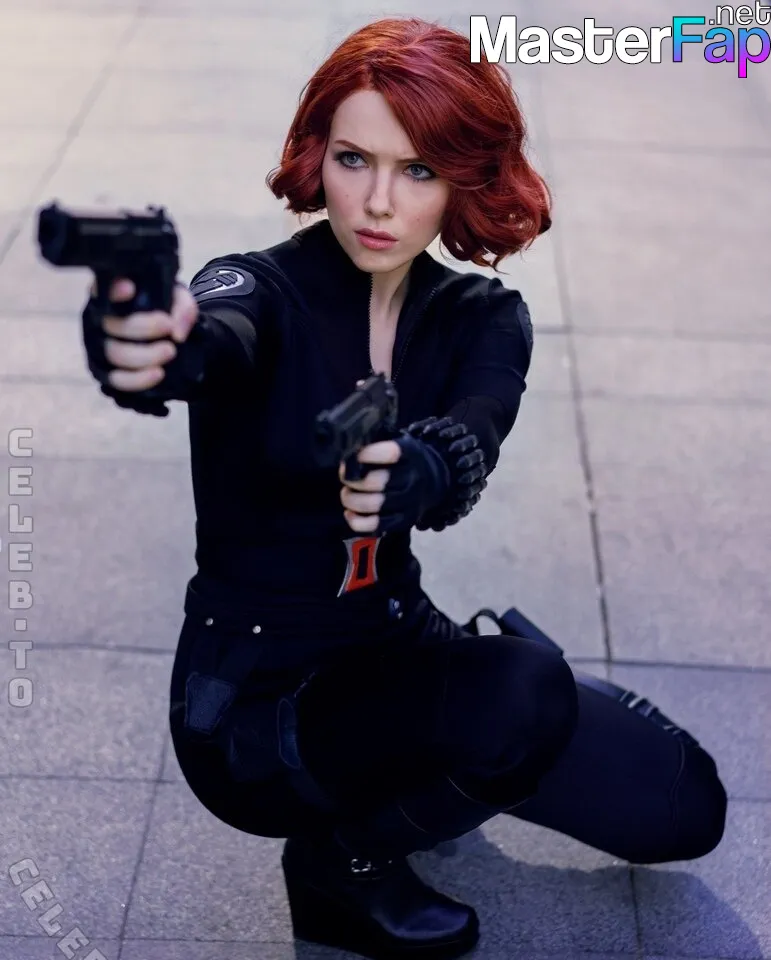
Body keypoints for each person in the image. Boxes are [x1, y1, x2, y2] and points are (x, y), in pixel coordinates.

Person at [79, 17, 727, 960]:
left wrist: (421, 469)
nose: (378, 202)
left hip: (393, 639)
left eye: (418, 170)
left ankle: (466, 736)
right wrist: (149, 344)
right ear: (318, 154)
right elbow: (210, 337)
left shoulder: (477, 314)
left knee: (684, 807)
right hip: (257, 703)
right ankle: (342, 862)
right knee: (525, 692)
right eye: (353, 159)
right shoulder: (256, 290)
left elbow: (474, 426)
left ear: (463, 178)